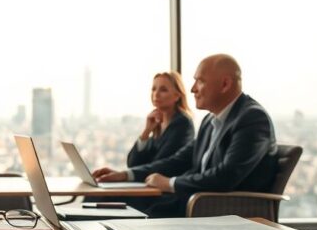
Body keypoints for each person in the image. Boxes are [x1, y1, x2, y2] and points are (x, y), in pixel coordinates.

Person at [93, 54, 277, 217]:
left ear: (225, 84)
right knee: (105, 199)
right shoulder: (210, 121)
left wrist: (170, 183)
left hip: (219, 209)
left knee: (120, 207)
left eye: (200, 81)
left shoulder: (252, 118)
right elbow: (177, 161)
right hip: (195, 201)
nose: (192, 89)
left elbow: (226, 175)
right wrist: (126, 175)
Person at [126, 72, 195, 168]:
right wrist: (146, 132)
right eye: (153, 89)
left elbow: (161, 164)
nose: (156, 94)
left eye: (163, 90)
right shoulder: (157, 123)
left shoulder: (182, 123)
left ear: (177, 96)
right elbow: (132, 164)